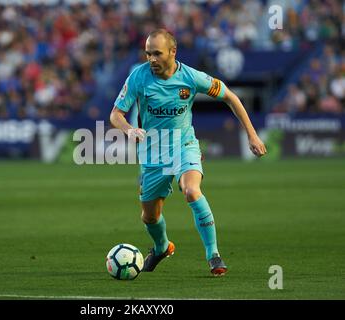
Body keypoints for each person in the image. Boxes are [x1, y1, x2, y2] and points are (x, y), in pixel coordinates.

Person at [109, 29, 267, 276]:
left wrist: (252, 134)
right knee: (149, 217)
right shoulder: (138, 77)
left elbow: (231, 97)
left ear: (173, 52)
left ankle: (213, 254)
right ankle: (162, 247)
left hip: (185, 146)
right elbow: (115, 114)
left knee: (192, 191)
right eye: (148, 53)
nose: (151, 59)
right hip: (153, 154)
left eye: (157, 53)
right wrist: (129, 130)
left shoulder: (191, 77)